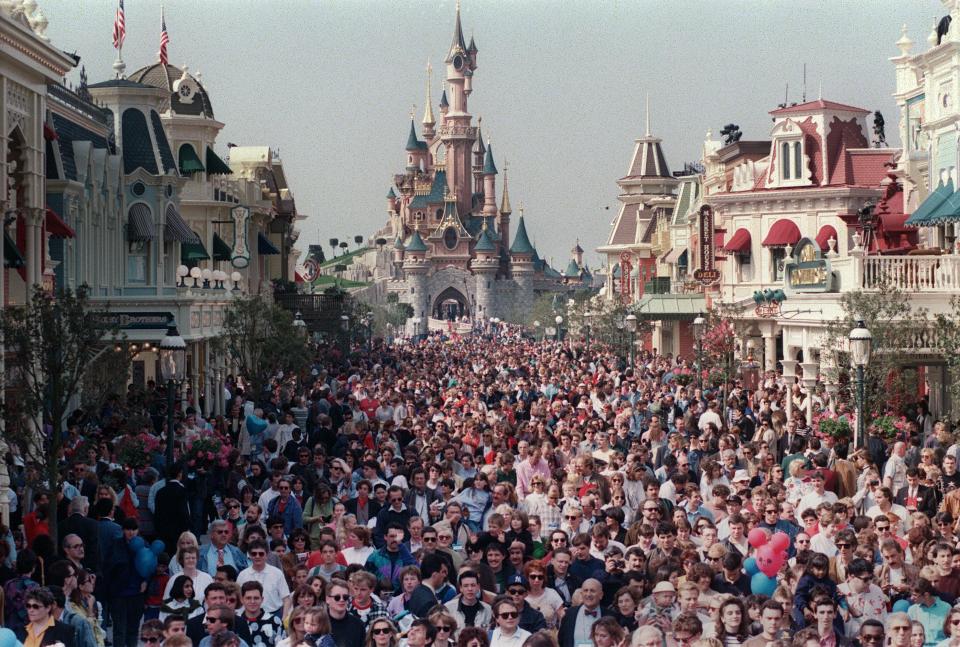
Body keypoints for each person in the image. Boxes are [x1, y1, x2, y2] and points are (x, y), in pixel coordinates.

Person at [236, 540, 290, 615]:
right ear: (250, 555)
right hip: (249, 616)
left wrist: (284, 618)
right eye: (254, 554)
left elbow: (286, 598)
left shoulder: (277, 573)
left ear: (267, 555)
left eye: (261, 554)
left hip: (274, 614)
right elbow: (239, 599)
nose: (257, 556)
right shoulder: (242, 575)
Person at [556, 578, 607, 647]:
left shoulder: (610, 616)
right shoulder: (569, 614)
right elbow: (562, 640)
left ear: (601, 595)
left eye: (592, 591)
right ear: (581, 594)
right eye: (585, 591)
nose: (588, 594)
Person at [235, 581, 285, 647]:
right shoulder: (236, 622)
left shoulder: (275, 621)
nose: (252, 601)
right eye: (248, 598)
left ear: (262, 599)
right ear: (242, 600)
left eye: (256, 598)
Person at [325, 579, 365, 647]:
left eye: (345, 597)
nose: (342, 600)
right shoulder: (318, 623)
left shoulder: (358, 625)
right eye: (337, 597)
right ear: (327, 599)